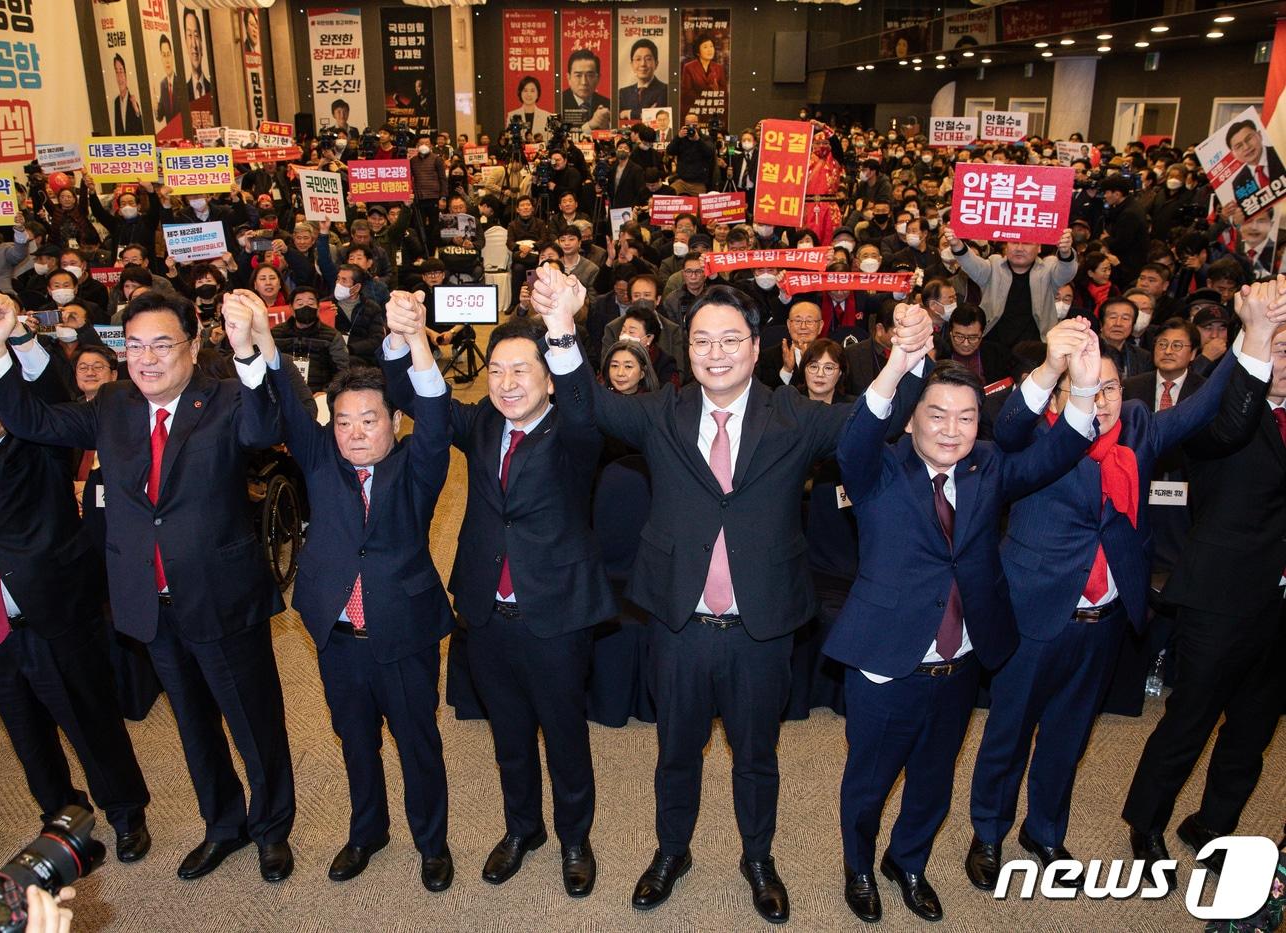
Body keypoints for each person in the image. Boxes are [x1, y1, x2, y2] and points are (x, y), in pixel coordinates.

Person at [531, 268, 933, 924]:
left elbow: (867, 427)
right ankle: (671, 851)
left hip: (761, 625)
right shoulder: (664, 411)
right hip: (679, 623)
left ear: (757, 347)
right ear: (686, 350)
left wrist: (907, 361)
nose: (715, 352)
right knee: (675, 752)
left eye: (729, 340)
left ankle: (757, 856)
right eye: (701, 341)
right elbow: (585, 407)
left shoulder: (792, 415)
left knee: (756, 754)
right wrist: (559, 326)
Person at [0, 288, 297, 884]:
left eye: (162, 345)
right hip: (150, 602)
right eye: (135, 345)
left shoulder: (225, 396)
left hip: (221, 596)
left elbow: (263, 427)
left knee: (254, 723)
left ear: (193, 347)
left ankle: (273, 828)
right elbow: (35, 419)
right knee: (194, 726)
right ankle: (223, 824)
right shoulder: (115, 402)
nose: (146, 359)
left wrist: (250, 351)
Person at [964, 286, 1279, 894]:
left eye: (1110, 387)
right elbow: (1005, 429)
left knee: (1069, 734)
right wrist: (1055, 366)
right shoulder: (1033, 441)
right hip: (1034, 614)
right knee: (1008, 731)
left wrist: (1252, 333)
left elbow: (1207, 401)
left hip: (1101, 622)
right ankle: (988, 834)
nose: (1102, 399)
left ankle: (1045, 832)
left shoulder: (1140, 438)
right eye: (1088, 388)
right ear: (1063, 394)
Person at [827, 318, 1101, 924]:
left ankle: (909, 861)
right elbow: (852, 442)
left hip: (958, 664)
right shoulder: (879, 470)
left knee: (933, 779)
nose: (951, 430)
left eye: (966, 418)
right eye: (936, 415)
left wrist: (1071, 381)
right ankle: (859, 866)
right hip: (886, 661)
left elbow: (1060, 449)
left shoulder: (988, 468)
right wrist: (898, 364)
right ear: (912, 417)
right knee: (869, 782)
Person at [381, 311, 613, 899]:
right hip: (485, 611)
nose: (507, 382)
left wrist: (563, 333)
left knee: (564, 735)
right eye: (497, 370)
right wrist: (402, 339)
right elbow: (413, 394)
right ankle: (522, 830)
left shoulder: (575, 431)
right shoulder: (483, 422)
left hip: (555, 614)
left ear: (550, 377)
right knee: (508, 734)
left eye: (522, 370)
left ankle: (575, 839)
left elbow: (586, 404)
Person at [261, 288, 457, 892]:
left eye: (369, 419)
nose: (354, 432)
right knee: (354, 742)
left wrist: (417, 341)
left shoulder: (417, 465)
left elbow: (436, 409)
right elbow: (292, 404)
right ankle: (366, 831)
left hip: (403, 633)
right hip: (338, 637)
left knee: (417, 742)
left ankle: (432, 842)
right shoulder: (321, 462)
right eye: (343, 421)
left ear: (393, 422)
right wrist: (263, 345)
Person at [0, 340, 152, 863]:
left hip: (54, 619)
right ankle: (60, 816)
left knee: (90, 722)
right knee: (27, 737)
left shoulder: (38, 442)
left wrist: (18, 344)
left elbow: (49, 392)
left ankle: (125, 813)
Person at [1121, 287, 1286, 889]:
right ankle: (1147, 820)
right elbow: (1234, 426)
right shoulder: (1218, 409)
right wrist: (1257, 338)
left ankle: (1212, 826)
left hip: (1279, 603)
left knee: (1252, 729)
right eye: (1277, 346)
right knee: (1189, 717)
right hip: (1220, 593)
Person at [947, 227, 1078, 349]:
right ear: (1006, 246)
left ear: (1039, 248)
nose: (1019, 248)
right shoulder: (994, 265)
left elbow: (1066, 272)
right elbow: (971, 263)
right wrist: (956, 244)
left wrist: (1065, 252)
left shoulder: (1048, 269)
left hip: (1035, 349)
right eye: (1014, 242)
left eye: (1026, 243)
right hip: (993, 346)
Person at [270, 286, 350, 391]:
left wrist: (326, 393)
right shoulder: (276, 334)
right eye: (300, 304)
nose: (306, 307)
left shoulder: (332, 336)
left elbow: (342, 371)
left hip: (319, 394)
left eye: (311, 304)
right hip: (283, 392)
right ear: (291, 309)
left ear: (318, 308)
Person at [756, 301, 822, 389]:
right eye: (798, 321)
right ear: (788, 325)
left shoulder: (831, 355)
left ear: (820, 326)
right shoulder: (768, 357)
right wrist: (786, 371)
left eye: (809, 321)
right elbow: (767, 394)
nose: (803, 327)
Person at [561, 48, 611, 130]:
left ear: (598, 78)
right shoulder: (558, 103)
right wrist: (590, 125)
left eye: (590, 75)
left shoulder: (608, 105)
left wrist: (606, 128)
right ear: (568, 78)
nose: (584, 82)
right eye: (578, 75)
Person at [619, 38, 668, 120]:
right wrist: (646, 114)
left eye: (648, 59)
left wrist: (628, 113)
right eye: (638, 59)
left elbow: (658, 117)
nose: (643, 64)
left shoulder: (666, 91)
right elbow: (615, 117)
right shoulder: (622, 93)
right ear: (632, 65)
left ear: (656, 63)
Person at [680, 33, 725, 115]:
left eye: (711, 46)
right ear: (698, 51)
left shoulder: (719, 68)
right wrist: (707, 93)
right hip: (694, 111)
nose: (710, 50)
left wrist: (717, 91)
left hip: (714, 111)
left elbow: (724, 92)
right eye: (705, 47)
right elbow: (686, 93)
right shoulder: (689, 67)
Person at [505, 76, 555, 140]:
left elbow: (549, 139)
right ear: (520, 93)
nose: (529, 94)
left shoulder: (546, 116)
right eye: (525, 90)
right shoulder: (512, 115)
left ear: (538, 94)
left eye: (532, 91)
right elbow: (509, 139)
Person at [111, 55, 144, 136]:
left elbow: (141, 129)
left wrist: (137, 111)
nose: (119, 76)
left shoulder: (132, 100)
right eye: (116, 72)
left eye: (121, 71)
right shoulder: (116, 102)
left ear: (126, 74)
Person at [184, 8, 211, 101]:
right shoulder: (182, 95)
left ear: (202, 42)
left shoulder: (212, 89)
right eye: (190, 36)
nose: (194, 44)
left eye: (196, 36)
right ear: (185, 43)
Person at [154, 34, 182, 123]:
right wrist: (155, 107)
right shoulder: (163, 84)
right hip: (170, 134)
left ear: (172, 56)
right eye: (164, 55)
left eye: (168, 54)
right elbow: (160, 116)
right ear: (161, 59)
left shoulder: (181, 82)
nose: (167, 60)